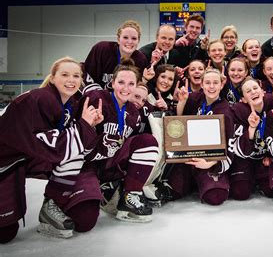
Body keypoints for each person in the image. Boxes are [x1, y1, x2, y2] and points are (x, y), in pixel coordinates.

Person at [0, 57, 102, 242]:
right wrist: (84, 127)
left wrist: (89, 126)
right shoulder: (40, 99)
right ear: (53, 78)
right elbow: (52, 148)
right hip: (6, 163)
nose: (71, 79)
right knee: (4, 233)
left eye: (76, 76)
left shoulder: (71, 104)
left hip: (26, 157)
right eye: (65, 74)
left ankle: (52, 204)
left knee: (75, 151)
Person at [81, 59, 159, 223]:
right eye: (121, 82)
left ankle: (130, 194)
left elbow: (133, 149)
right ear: (112, 83)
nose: (126, 88)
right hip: (86, 165)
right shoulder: (97, 98)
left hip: (110, 164)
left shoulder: (134, 113)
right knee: (85, 219)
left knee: (147, 141)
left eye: (131, 84)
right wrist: (88, 126)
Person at [167, 68, 235, 205]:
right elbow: (180, 121)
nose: (211, 86)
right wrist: (182, 101)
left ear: (221, 85)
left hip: (210, 161)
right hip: (188, 158)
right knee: (173, 191)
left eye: (215, 83)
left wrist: (209, 163)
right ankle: (192, 182)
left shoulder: (226, 110)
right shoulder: (195, 98)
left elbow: (230, 146)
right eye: (208, 82)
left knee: (215, 196)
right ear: (202, 84)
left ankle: (205, 181)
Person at [229, 77, 273, 199]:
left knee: (272, 191)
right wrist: (251, 129)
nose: (253, 92)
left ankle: (258, 179)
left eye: (255, 88)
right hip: (244, 159)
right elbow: (239, 150)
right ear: (243, 99)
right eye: (248, 91)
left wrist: (271, 155)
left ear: (263, 91)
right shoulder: (238, 111)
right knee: (240, 193)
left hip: (264, 158)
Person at [82, 20, 153, 92]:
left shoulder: (141, 60)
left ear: (138, 41)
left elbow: (136, 89)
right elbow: (87, 75)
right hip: (97, 97)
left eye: (134, 38)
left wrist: (145, 79)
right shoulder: (102, 49)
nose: (130, 42)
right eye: (125, 37)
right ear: (118, 39)